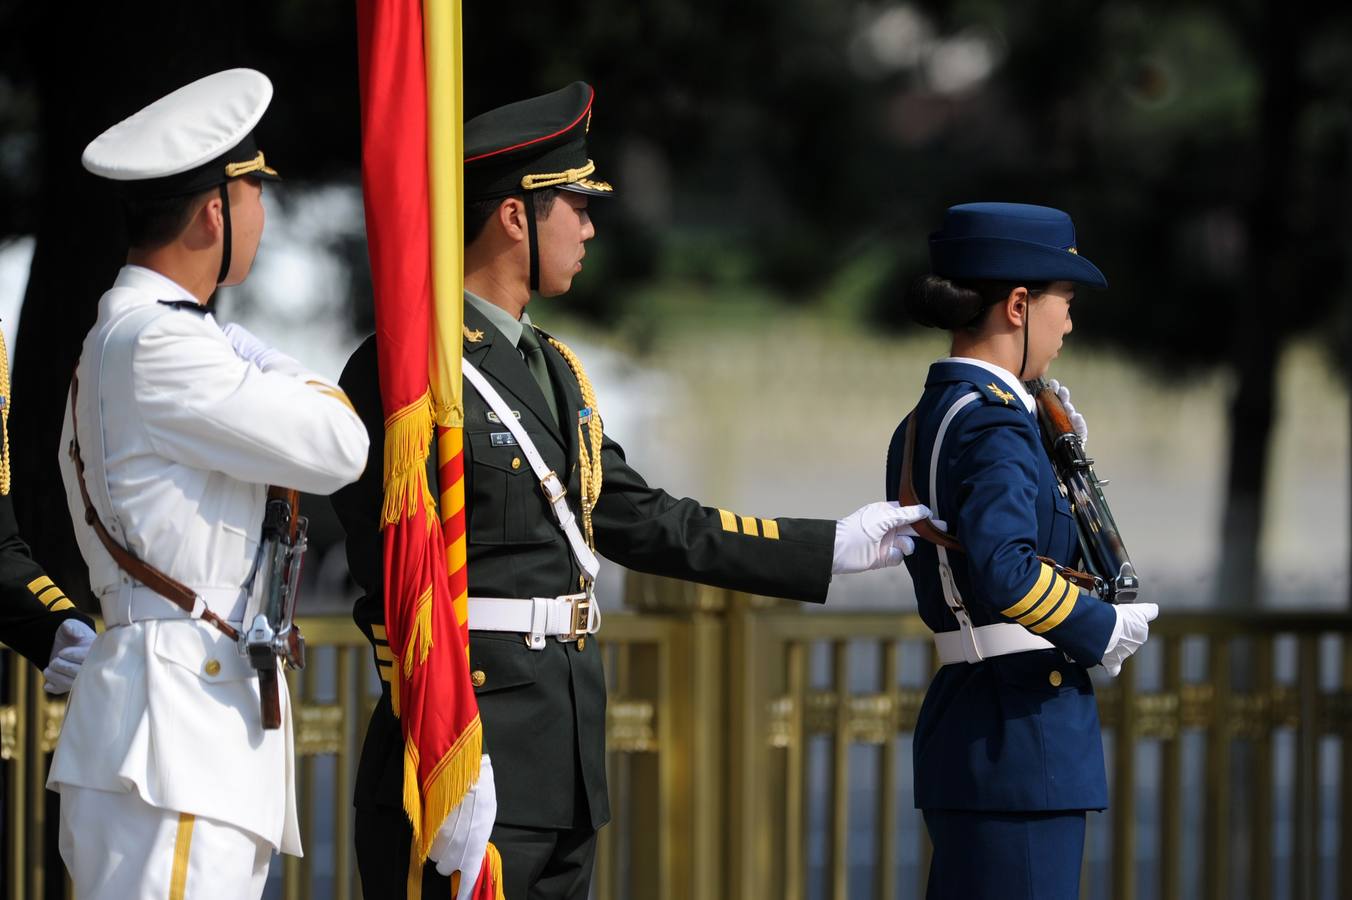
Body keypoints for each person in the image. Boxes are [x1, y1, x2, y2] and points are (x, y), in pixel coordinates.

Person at [331, 81, 932, 900]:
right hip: (462, 751)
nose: (589, 225)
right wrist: (443, 750)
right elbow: (390, 575)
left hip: (562, 759)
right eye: (574, 205)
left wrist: (829, 547)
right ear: (515, 215)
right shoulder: (409, 368)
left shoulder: (557, 370)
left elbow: (644, 520)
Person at [48, 69, 369, 900]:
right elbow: (341, 444)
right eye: (256, 190)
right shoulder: (166, 347)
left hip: (170, 731)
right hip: (180, 740)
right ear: (213, 213)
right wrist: (261, 355)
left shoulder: (118, 340)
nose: (265, 211)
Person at [883, 202, 1159, 899]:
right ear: (1017, 305)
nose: (1068, 322)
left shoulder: (923, 423)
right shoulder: (998, 426)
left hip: (970, 723)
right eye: (1063, 301)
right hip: (1023, 735)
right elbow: (1006, 569)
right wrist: (1100, 629)